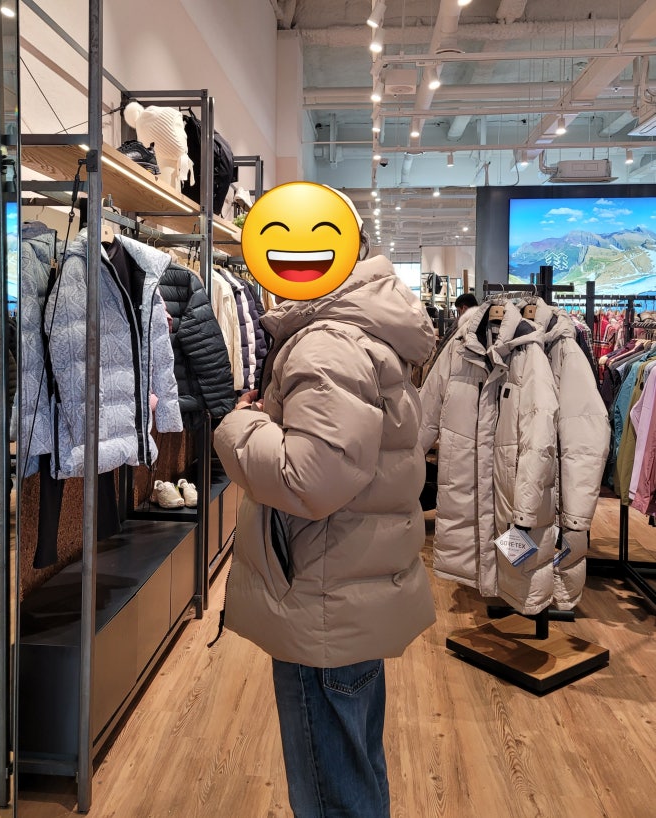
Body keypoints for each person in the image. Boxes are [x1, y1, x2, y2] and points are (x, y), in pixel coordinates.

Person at [213, 219, 437, 817]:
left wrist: (241, 424)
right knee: (353, 765)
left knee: (331, 786)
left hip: (323, 594)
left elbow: (309, 479)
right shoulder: (360, 330)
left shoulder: (326, 345)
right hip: (344, 583)